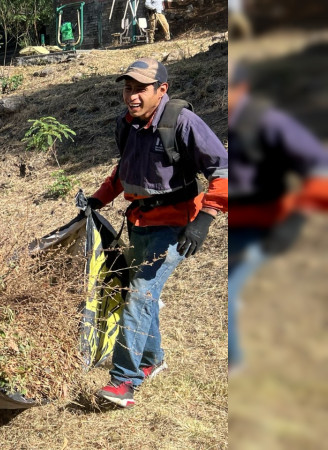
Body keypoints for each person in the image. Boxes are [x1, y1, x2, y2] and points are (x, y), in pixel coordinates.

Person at [88, 58, 228, 408]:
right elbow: (124, 171)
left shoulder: (182, 122)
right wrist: (98, 199)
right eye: (128, 88)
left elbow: (224, 169)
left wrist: (205, 219)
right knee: (141, 294)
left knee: (139, 294)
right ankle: (152, 360)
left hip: (174, 227)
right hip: (139, 224)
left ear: (161, 90)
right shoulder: (128, 125)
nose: (132, 96)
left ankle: (123, 382)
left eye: (140, 89)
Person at [226, 62, 328, 371]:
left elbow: (320, 168)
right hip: (232, 227)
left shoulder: (269, 122)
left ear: (242, 88)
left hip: (262, 228)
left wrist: (295, 216)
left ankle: (235, 365)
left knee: (229, 291)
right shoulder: (225, 125)